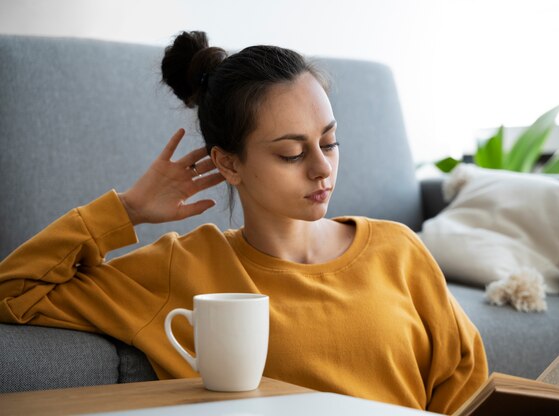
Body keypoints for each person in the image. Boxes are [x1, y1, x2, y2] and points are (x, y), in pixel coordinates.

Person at [0, 31, 488, 414]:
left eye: (330, 141)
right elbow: (14, 290)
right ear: (229, 165)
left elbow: (464, 384)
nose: (322, 167)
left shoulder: (398, 250)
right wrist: (126, 211)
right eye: (292, 152)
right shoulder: (183, 267)